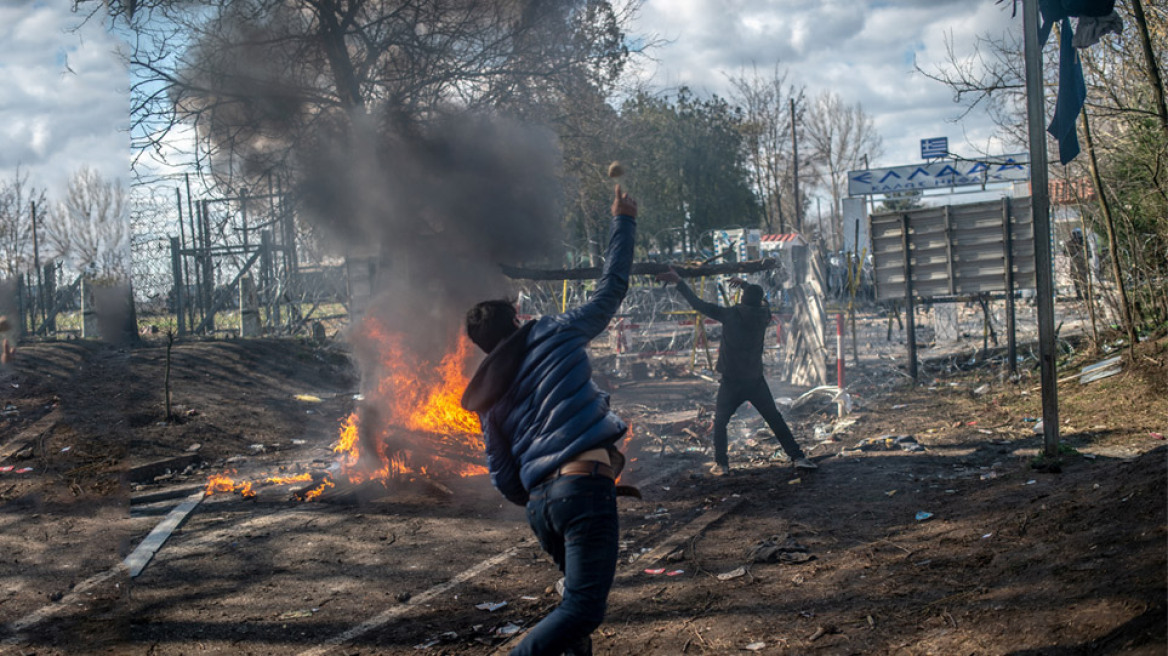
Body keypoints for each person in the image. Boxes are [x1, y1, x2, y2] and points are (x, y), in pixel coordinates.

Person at [461, 184, 637, 656]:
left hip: (542, 505)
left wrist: (542, 491)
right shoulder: (554, 333)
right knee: (583, 610)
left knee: (575, 621)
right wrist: (623, 220)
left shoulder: (487, 399)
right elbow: (612, 288)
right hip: (582, 490)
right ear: (517, 319)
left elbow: (502, 475)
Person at [656, 268, 816, 476]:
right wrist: (746, 286)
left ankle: (721, 464)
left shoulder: (730, 314)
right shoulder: (763, 316)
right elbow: (763, 302)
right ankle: (798, 457)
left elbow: (698, 304)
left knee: (721, 423)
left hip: (731, 382)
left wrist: (679, 282)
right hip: (755, 381)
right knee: (775, 420)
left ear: (742, 299)